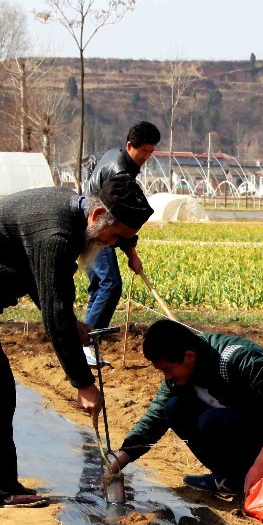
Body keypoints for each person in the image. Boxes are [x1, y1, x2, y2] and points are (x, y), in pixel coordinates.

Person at [0, 175, 153, 507]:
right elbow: (54, 312)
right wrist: (83, 382)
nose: (110, 244)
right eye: (113, 236)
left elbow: (42, 282)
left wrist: (72, 323)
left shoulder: (69, 216)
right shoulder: (57, 234)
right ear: (97, 215)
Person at [103, 319, 263, 499]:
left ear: (189, 357)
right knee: (173, 408)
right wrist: (117, 463)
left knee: (211, 421)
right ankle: (230, 479)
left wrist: (261, 465)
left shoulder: (239, 360)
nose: (167, 376)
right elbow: (154, 417)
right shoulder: (182, 375)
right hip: (247, 427)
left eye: (167, 369)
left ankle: (254, 477)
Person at [82, 121, 161, 366]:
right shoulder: (120, 172)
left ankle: (84, 341)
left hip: (94, 223)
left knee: (100, 287)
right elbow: (123, 219)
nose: (147, 156)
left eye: (151, 151)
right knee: (110, 284)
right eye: (143, 151)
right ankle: (87, 345)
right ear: (130, 145)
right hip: (98, 228)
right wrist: (132, 254)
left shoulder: (115, 155)